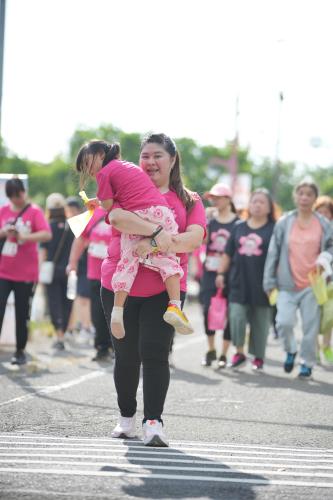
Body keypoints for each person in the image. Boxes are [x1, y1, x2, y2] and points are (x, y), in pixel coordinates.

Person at [100, 132, 206, 446]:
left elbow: (194, 238)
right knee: (126, 356)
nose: (150, 162)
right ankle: (126, 417)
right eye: (145, 155)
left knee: (156, 354)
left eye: (158, 155)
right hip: (119, 287)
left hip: (165, 290)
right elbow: (117, 218)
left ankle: (154, 422)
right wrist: (160, 233)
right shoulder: (123, 193)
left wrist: (152, 242)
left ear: (173, 160)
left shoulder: (189, 199)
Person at [75, 139, 193, 339]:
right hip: (160, 214)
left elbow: (110, 203)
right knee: (167, 261)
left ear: (101, 156)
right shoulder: (127, 166)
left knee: (127, 262)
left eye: (88, 163)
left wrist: (101, 202)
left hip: (138, 217)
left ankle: (117, 311)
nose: (89, 170)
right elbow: (127, 195)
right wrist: (102, 202)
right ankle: (174, 305)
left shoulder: (104, 172)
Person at [264, 180, 333, 379]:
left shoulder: (324, 223)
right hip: (286, 283)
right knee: (283, 323)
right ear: (295, 196)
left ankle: (306, 363)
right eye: (301, 193)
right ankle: (291, 350)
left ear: (314, 198)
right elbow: (273, 253)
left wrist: (324, 259)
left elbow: (330, 246)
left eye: (309, 194)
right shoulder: (285, 222)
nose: (304, 197)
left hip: (312, 283)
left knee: (310, 327)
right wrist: (269, 281)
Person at [216, 188, 276, 371]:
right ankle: (239, 352)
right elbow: (227, 254)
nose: (257, 205)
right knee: (236, 317)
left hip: (263, 285)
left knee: (260, 323)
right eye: (254, 201)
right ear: (249, 205)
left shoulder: (274, 229)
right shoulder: (238, 227)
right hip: (238, 282)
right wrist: (220, 273)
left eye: (261, 202)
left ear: (269, 208)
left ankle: (258, 357)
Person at [0, 178, 51, 364]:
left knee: (22, 313)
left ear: (24, 191)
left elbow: (47, 234)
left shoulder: (34, 211)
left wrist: (24, 236)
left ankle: (19, 351)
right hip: (3, 271)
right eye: (12, 197)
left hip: (26, 273)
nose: (16, 199)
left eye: (19, 195)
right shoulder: (3, 211)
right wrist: (6, 232)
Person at [200, 183, 239, 368]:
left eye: (217, 197)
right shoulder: (210, 221)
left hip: (232, 273)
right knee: (207, 309)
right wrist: (204, 219)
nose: (214, 200)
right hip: (209, 271)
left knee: (230, 312)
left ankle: (224, 353)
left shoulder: (238, 223)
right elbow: (202, 239)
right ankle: (210, 349)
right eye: (212, 197)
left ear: (228, 199)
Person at [67, 205, 114, 361]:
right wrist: (72, 262)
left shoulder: (123, 211)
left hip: (118, 274)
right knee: (97, 311)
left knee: (117, 311)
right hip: (95, 272)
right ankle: (101, 347)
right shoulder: (92, 214)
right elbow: (80, 239)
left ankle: (117, 347)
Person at [40, 193, 75, 350]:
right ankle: (65, 332)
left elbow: (43, 252)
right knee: (67, 301)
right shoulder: (71, 226)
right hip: (68, 270)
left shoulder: (47, 227)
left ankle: (59, 335)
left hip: (51, 271)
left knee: (54, 302)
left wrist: (40, 271)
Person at [65, 196, 93, 342]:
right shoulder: (69, 223)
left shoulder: (85, 220)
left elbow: (84, 241)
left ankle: (86, 327)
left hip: (84, 264)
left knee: (83, 298)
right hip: (76, 264)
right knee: (76, 297)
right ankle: (75, 327)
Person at [314, 195, 333, 363]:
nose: (323, 215)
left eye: (326, 212)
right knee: (312, 315)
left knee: (329, 316)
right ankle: (315, 349)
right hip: (313, 280)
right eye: (319, 212)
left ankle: (326, 346)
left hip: (330, 282)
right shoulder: (310, 229)